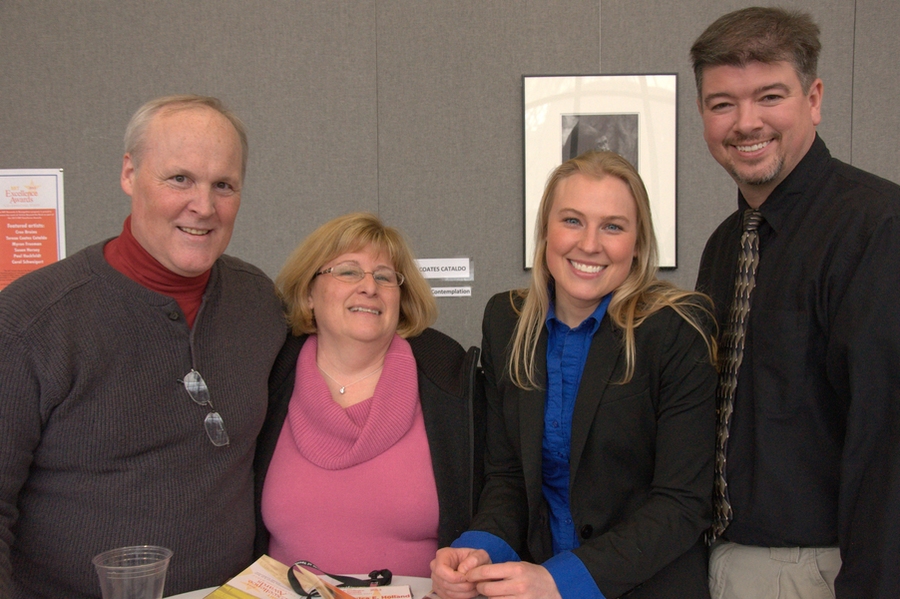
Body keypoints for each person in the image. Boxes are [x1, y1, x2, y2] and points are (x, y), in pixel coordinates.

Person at [0, 95, 287, 599]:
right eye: (180, 179)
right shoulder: (31, 321)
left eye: (224, 185)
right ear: (129, 174)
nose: (204, 205)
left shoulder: (259, 302)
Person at [431, 151, 718, 599]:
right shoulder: (506, 321)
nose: (589, 244)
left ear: (638, 243)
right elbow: (506, 478)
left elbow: (682, 503)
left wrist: (560, 580)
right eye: (571, 221)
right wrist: (478, 551)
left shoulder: (678, 327)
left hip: (650, 586)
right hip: (535, 585)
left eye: (613, 226)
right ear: (545, 232)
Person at [691, 7, 900, 599]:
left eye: (769, 96)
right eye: (722, 103)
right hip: (725, 562)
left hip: (823, 571)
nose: (745, 122)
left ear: (813, 98)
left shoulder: (877, 227)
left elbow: (887, 439)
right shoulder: (726, 244)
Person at [254, 212, 484, 578]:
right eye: (348, 271)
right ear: (309, 292)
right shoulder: (268, 378)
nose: (369, 286)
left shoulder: (451, 385)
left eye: (384, 276)